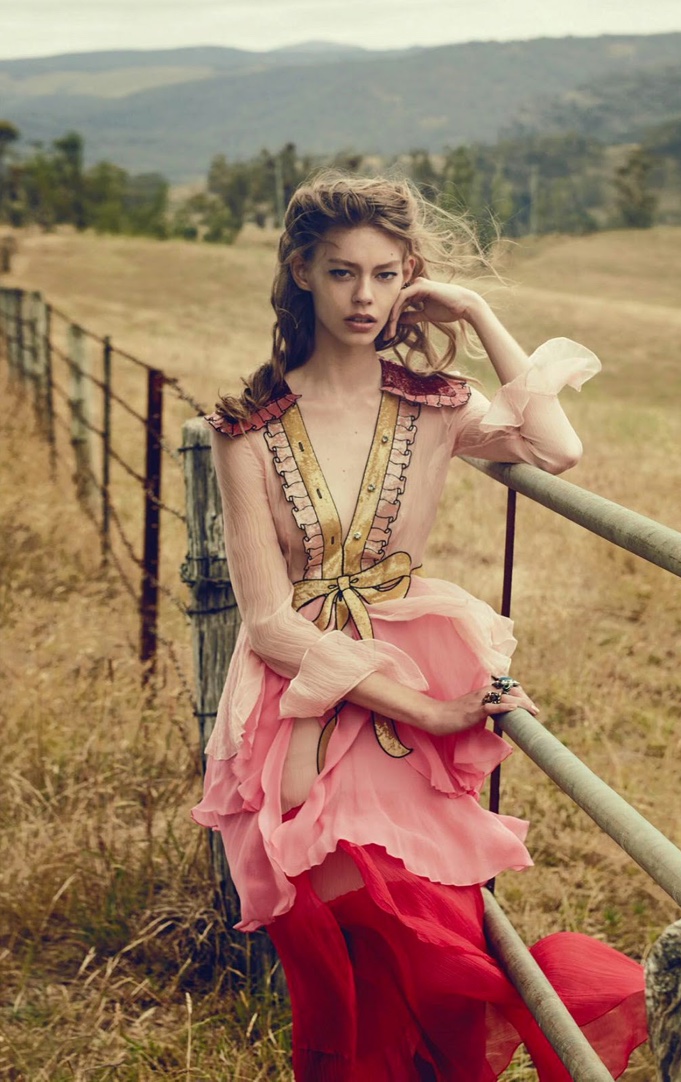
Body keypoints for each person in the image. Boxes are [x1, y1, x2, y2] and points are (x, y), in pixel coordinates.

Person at [192, 173, 647, 1081]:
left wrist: (476, 312)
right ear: (302, 275)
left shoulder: (435, 402)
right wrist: (428, 713)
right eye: (341, 274)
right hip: (307, 705)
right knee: (348, 942)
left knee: (436, 932)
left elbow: (557, 448)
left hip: (414, 660)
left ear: (411, 278)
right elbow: (273, 623)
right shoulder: (246, 426)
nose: (365, 297)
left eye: (386, 275)